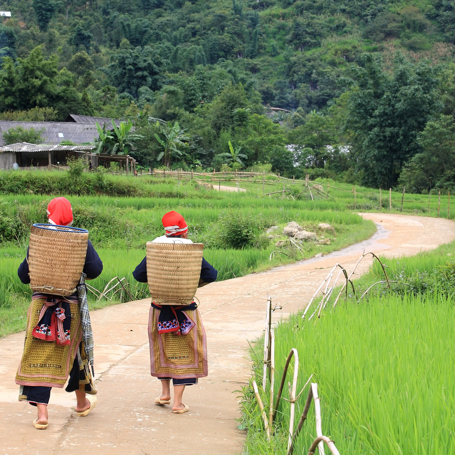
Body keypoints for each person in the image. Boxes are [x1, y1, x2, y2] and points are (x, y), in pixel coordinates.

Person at [16, 197, 103, 430]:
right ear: (71, 216)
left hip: (40, 306)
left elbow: (24, 276)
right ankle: (82, 402)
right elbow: (95, 269)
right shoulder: (80, 238)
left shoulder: (39, 238)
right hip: (70, 307)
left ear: (49, 215)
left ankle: (42, 414)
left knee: (38, 353)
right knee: (75, 351)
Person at [133, 211, 217, 414]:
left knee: (162, 348)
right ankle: (178, 403)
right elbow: (211, 274)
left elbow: (139, 275)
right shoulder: (190, 251)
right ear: (184, 232)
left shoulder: (156, 248)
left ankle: (165, 393)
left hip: (160, 309)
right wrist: (189, 282)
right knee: (185, 353)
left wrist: (159, 279)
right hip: (184, 310)